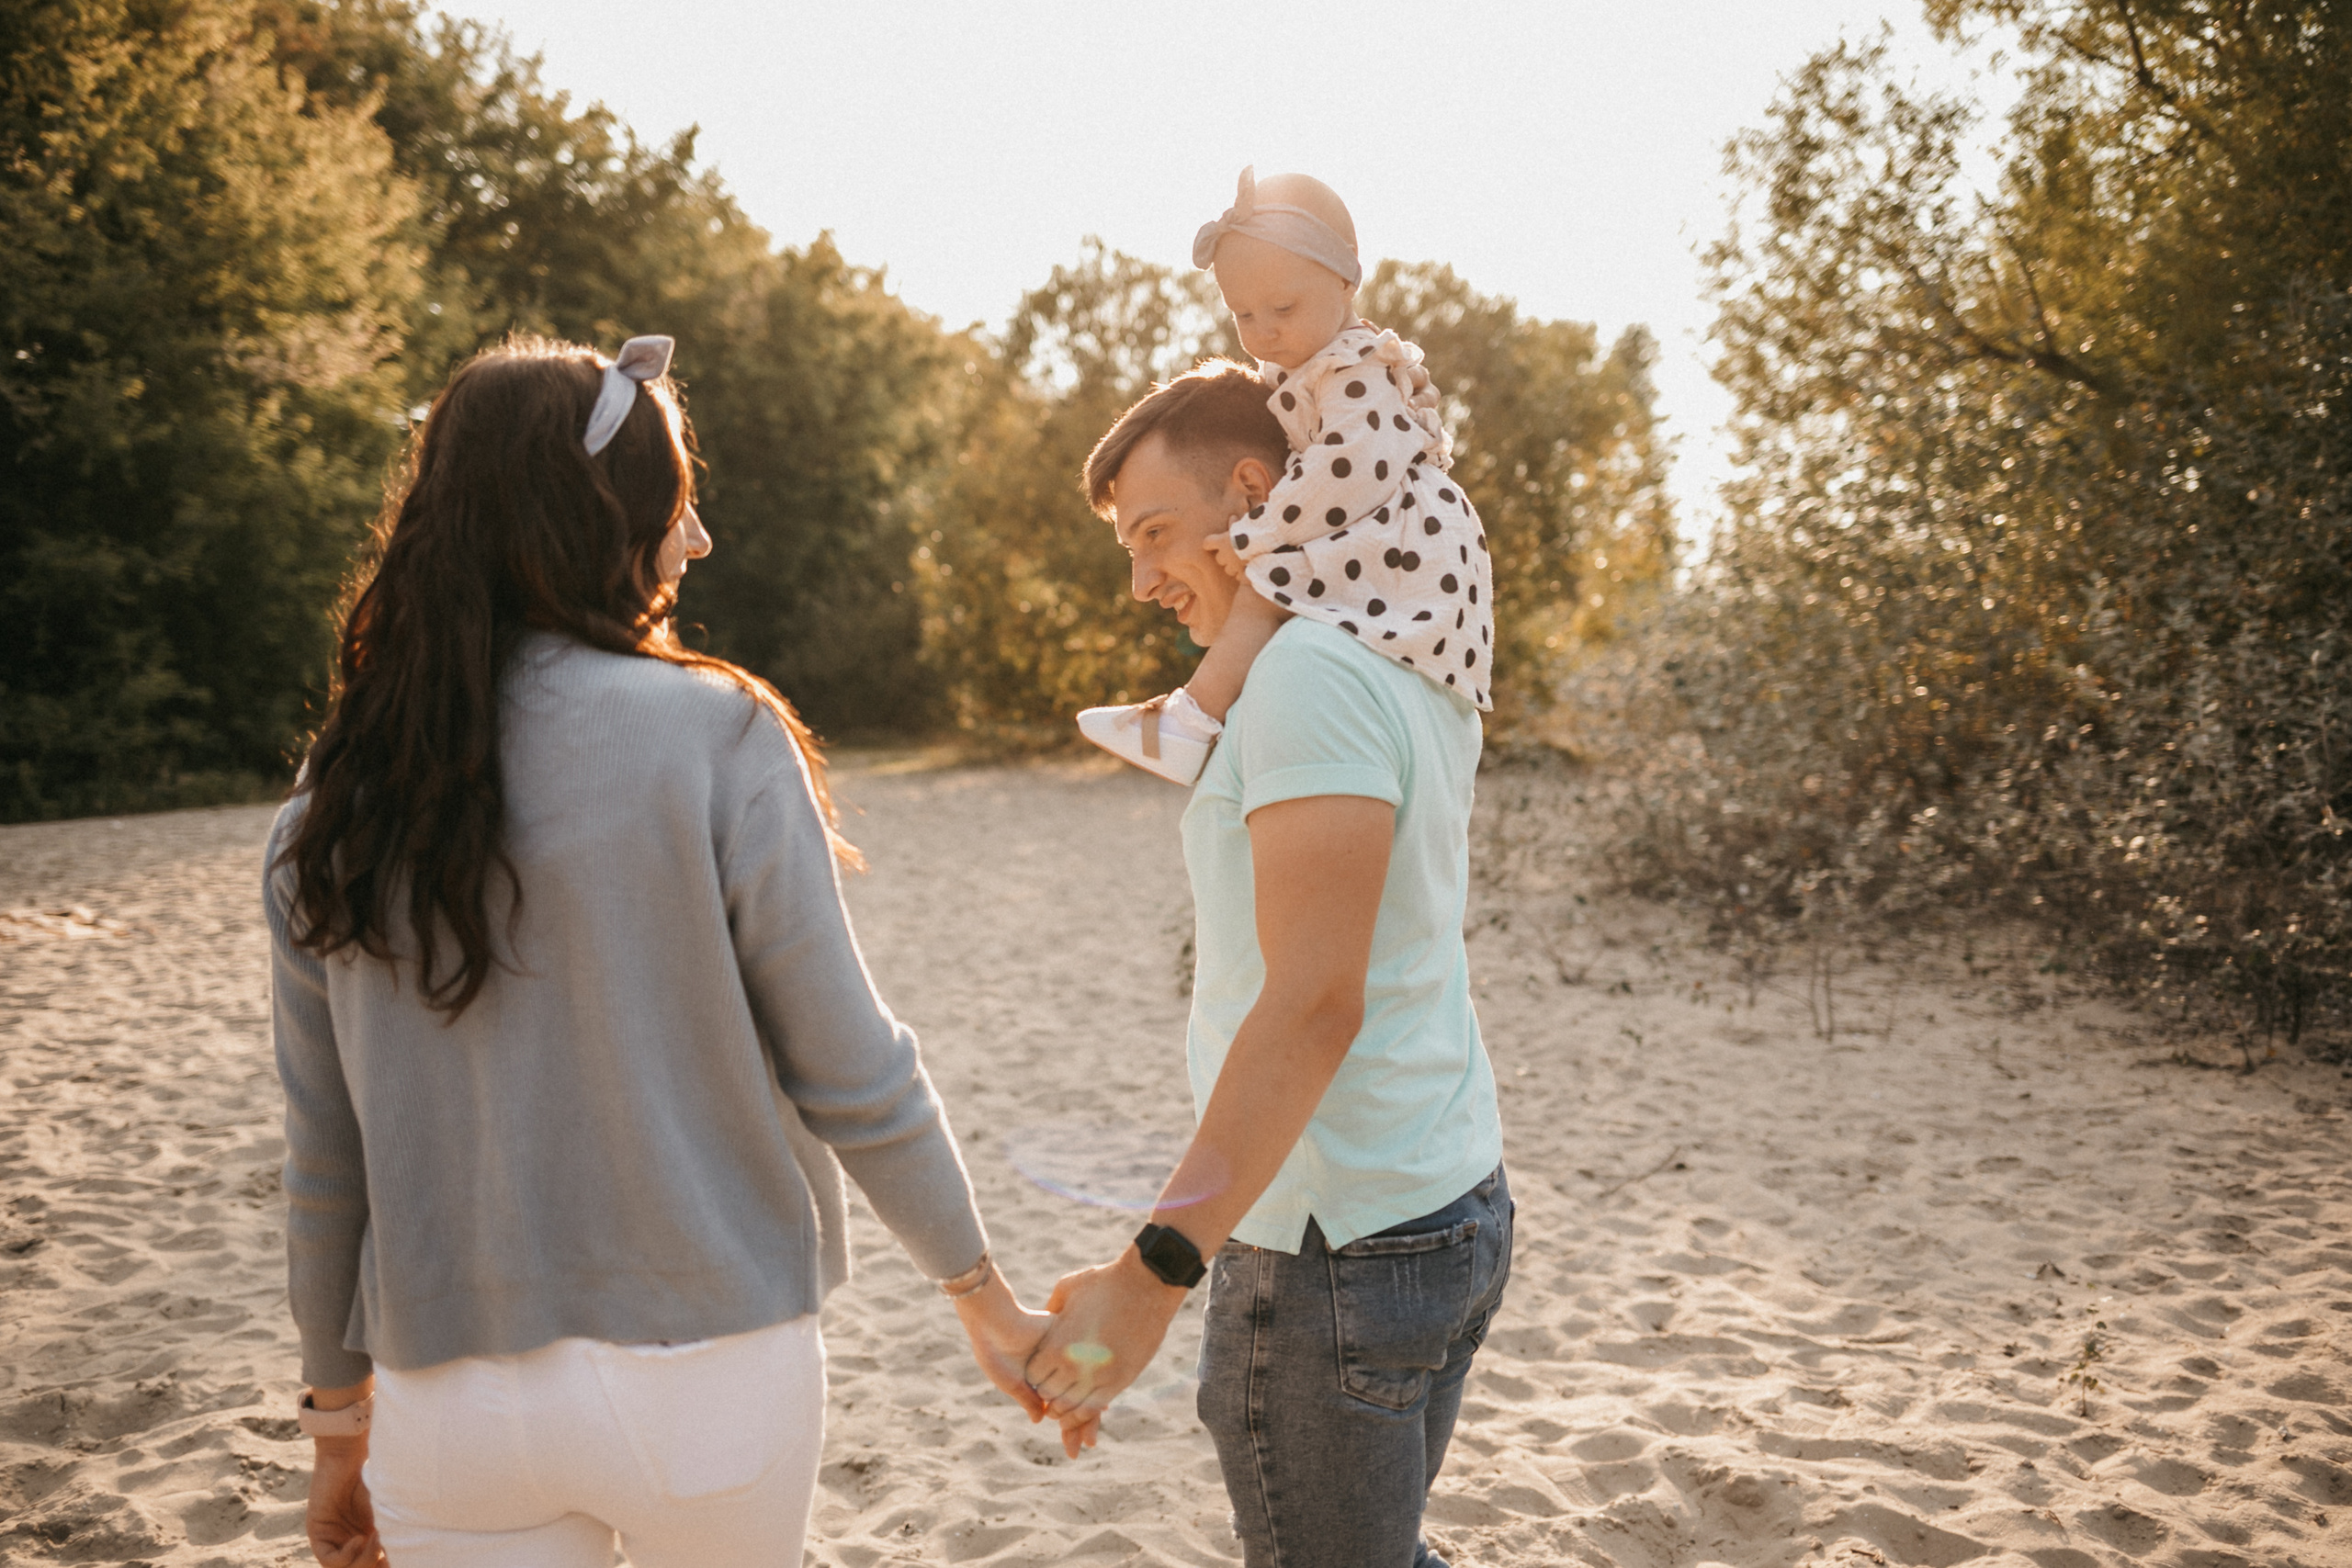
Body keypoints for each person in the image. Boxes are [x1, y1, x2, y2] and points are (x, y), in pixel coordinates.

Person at [267, 334, 1047, 1568]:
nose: (696, 544)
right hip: (712, 1369)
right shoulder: (717, 732)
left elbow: (326, 1158)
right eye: (674, 510)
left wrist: (336, 1425)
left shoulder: (332, 803)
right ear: (595, 520)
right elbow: (849, 1060)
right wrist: (981, 1294)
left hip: (447, 1392)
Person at [1028, 361, 1513, 1568]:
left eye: (1154, 533)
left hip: (1335, 1248)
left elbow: (1309, 1006)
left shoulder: (1307, 676)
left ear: (1254, 488)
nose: (1140, 581)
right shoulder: (1410, 641)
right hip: (1441, 1195)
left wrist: (1151, 1277)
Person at [1075, 167, 1495, 786]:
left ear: (1348, 276)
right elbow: (1273, 412)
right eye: (1244, 315)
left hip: (1401, 549)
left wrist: (1257, 534)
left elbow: (1344, 474)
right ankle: (1188, 720)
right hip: (1387, 551)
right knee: (1269, 587)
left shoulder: (1358, 373)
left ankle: (1187, 720)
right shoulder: (1318, 369)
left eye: (1283, 307)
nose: (1265, 330)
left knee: (1267, 583)